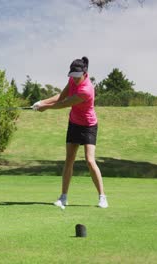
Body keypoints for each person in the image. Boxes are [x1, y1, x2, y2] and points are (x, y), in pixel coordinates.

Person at [34, 56, 108, 208]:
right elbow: (61, 96)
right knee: (69, 160)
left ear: (84, 73)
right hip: (74, 123)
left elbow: (64, 103)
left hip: (88, 125)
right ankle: (63, 197)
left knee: (89, 160)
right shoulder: (72, 81)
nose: (74, 80)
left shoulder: (87, 90)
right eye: (72, 76)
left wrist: (45, 107)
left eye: (77, 77)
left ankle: (102, 197)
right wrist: (42, 102)